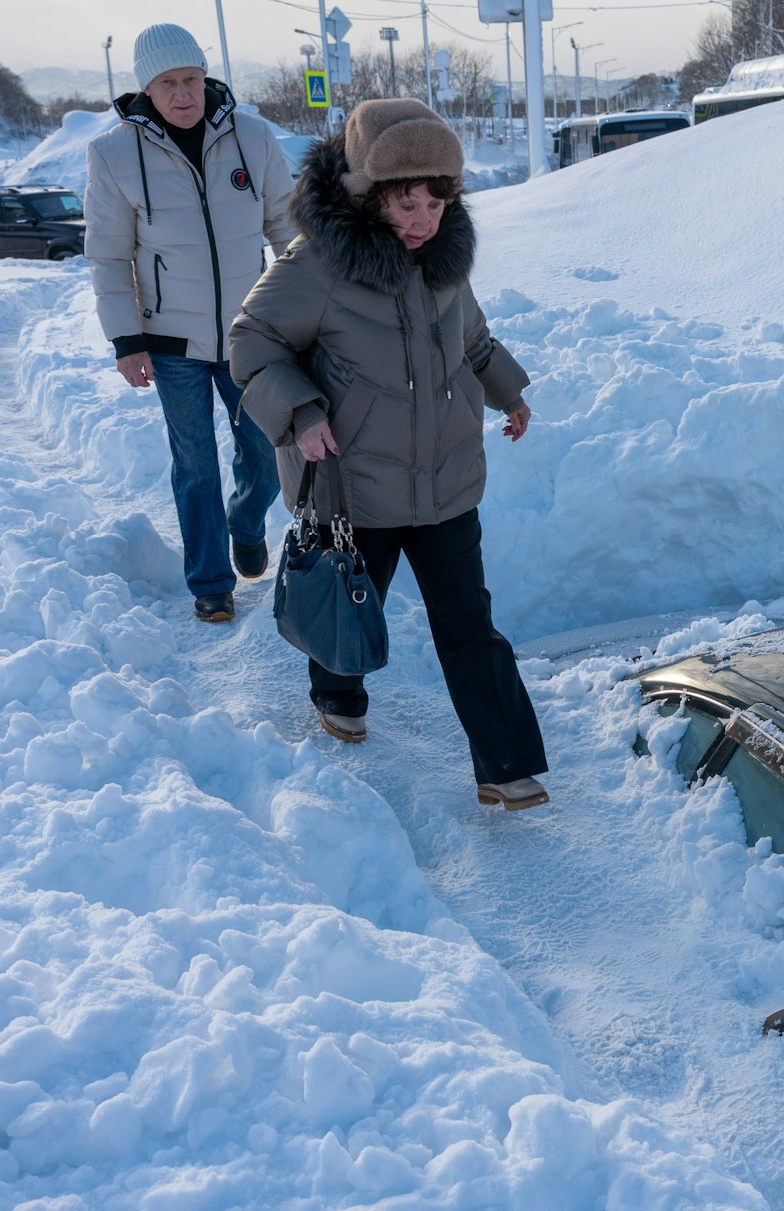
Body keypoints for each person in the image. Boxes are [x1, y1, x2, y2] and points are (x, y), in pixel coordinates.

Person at [229, 100, 550, 811]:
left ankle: (505, 764)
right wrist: (301, 411)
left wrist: (509, 391)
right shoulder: (317, 265)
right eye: (408, 204)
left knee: (469, 623)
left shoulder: (444, 260)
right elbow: (251, 341)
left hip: (446, 480)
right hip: (354, 482)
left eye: (438, 203)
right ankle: (336, 692)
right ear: (368, 193)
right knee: (350, 600)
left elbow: (472, 339)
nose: (425, 220)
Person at [84, 24, 296, 622]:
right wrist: (126, 340)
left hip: (250, 335)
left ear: (207, 78)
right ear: (146, 90)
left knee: (265, 452)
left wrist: (307, 310)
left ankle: (245, 524)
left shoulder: (252, 137)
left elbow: (288, 228)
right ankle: (210, 582)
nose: (183, 94)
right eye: (168, 83)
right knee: (196, 463)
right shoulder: (113, 154)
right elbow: (108, 256)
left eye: (192, 79)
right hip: (170, 342)